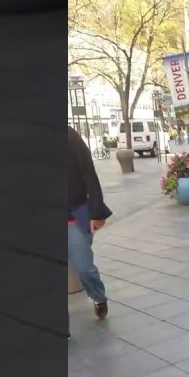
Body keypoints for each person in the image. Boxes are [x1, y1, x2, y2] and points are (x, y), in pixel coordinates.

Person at [67, 125, 112, 322]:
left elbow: (89, 174)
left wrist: (97, 212)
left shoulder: (69, 136)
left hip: (73, 216)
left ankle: (98, 297)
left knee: (84, 268)